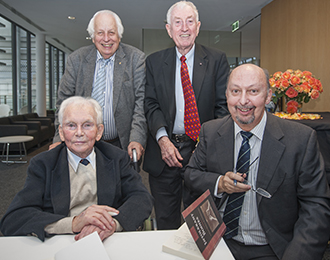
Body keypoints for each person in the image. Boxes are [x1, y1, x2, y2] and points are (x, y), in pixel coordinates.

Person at [184, 64, 330, 259]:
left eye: (253, 91)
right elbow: (191, 175)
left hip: (273, 249)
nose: (243, 101)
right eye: (236, 91)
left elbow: (316, 207)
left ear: (268, 96)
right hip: (219, 243)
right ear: (226, 95)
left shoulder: (301, 140)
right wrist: (220, 182)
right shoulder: (210, 131)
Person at [0, 96, 153, 242]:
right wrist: (74, 223)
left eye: (87, 125)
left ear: (99, 132)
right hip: (60, 240)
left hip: (107, 238)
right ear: (61, 132)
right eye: (71, 125)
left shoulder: (116, 158)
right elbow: (14, 218)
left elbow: (142, 199)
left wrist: (112, 224)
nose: (79, 133)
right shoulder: (43, 164)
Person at [143, 0, 230, 230]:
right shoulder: (153, 62)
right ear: (168, 29)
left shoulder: (217, 60)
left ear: (198, 27)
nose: (184, 28)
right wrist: (162, 140)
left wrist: (203, 146)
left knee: (202, 223)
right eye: (178, 22)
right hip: (164, 154)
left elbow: (223, 108)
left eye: (189, 22)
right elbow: (150, 105)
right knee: (166, 222)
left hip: (203, 156)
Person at [51, 10, 146, 162]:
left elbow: (141, 104)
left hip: (122, 145)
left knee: (121, 185)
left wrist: (137, 138)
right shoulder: (76, 60)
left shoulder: (136, 59)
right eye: (100, 33)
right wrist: (58, 137)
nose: (106, 39)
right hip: (82, 143)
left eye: (112, 32)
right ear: (93, 36)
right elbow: (63, 103)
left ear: (119, 35)